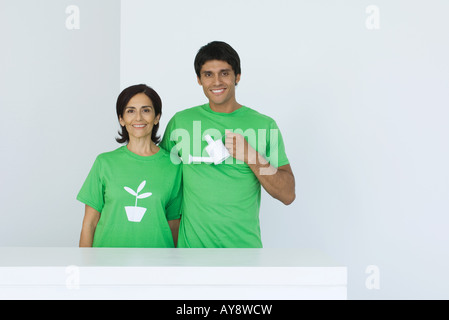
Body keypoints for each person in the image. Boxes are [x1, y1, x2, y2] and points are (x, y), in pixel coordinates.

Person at [159, 41, 295, 248]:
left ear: (237, 76)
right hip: (191, 254)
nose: (216, 82)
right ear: (199, 79)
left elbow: (287, 194)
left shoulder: (264, 125)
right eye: (208, 74)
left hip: (244, 254)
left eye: (224, 73)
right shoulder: (181, 123)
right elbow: (165, 189)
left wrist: (252, 157)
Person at [78, 84, 182, 248]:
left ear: (157, 117)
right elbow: (89, 224)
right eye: (130, 111)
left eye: (146, 110)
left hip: (158, 264)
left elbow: (174, 226)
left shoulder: (173, 165)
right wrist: (85, 268)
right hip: (107, 264)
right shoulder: (105, 163)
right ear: (121, 119)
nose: (138, 118)